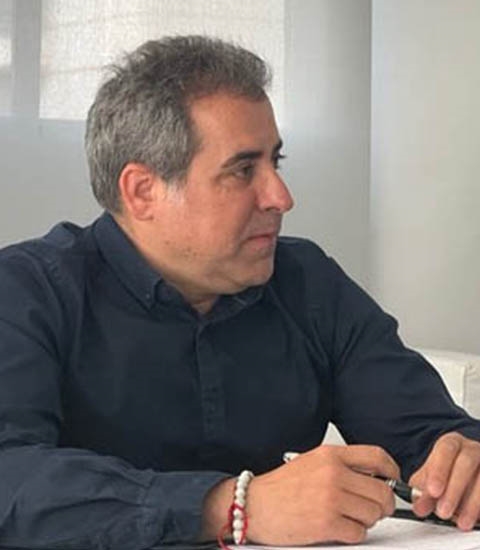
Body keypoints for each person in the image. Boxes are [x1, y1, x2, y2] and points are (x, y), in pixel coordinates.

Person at [0, 35, 479, 550]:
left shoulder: (309, 283)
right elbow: (10, 477)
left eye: (276, 162)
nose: (281, 197)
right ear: (143, 191)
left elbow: (428, 436)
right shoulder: (27, 292)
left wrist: (462, 464)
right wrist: (230, 506)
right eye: (243, 170)